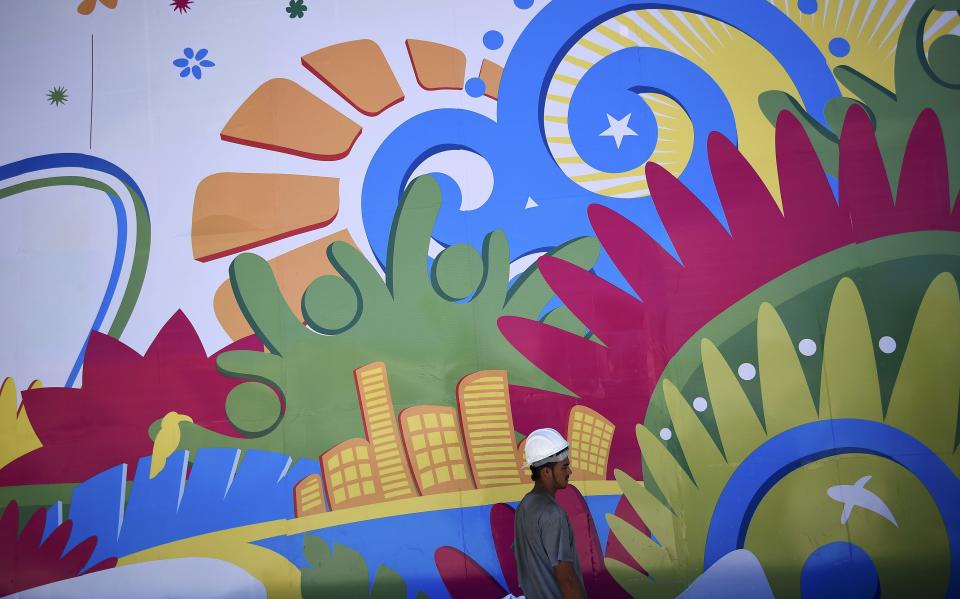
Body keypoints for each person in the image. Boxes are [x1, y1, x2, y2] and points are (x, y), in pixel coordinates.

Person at [513, 428, 586, 599]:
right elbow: (567, 579)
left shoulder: (524, 506)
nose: (569, 472)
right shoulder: (552, 514)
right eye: (564, 467)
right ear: (546, 471)